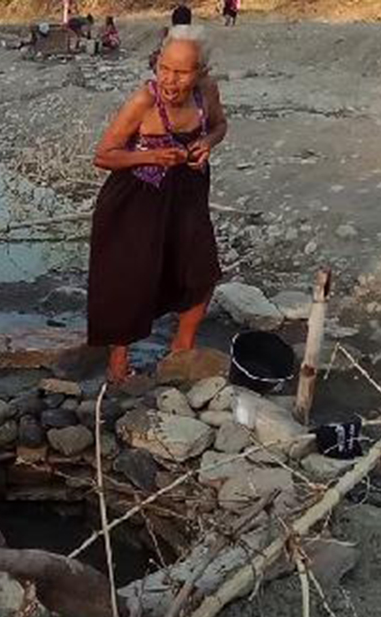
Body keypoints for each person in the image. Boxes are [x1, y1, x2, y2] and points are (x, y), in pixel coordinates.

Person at [87, 25, 228, 385]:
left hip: (188, 193)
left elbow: (220, 125)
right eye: (164, 68)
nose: (170, 79)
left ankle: (181, 351)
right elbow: (104, 156)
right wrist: (146, 157)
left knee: (201, 269)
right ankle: (118, 363)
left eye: (181, 72)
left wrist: (207, 143)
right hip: (135, 200)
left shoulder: (206, 93)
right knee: (130, 277)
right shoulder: (144, 101)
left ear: (199, 73)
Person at [149, 5, 193, 71]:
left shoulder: (171, 34)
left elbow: (155, 60)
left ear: (173, 20)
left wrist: (163, 38)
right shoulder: (196, 34)